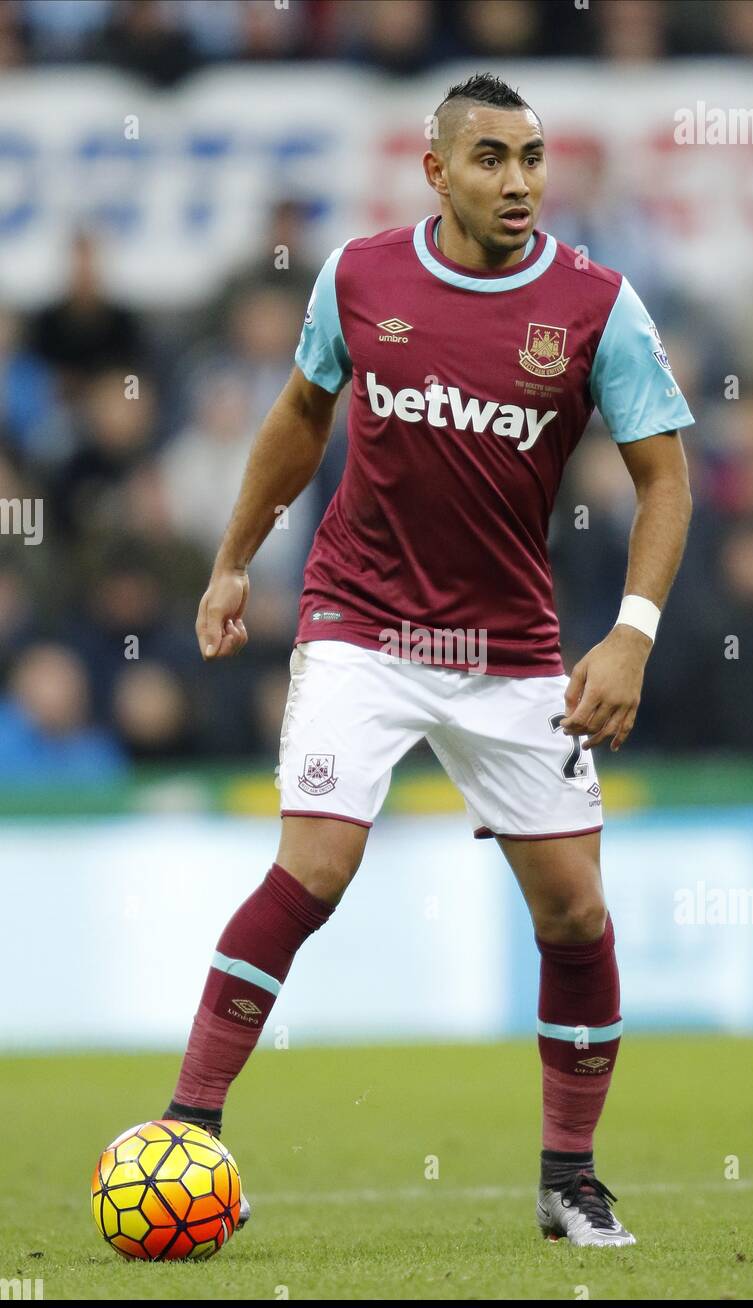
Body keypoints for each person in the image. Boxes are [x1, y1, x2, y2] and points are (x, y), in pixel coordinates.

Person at [162, 73, 694, 1248]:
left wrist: (630, 633)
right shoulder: (359, 277)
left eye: (534, 159)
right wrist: (233, 559)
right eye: (492, 158)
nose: (518, 182)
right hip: (360, 623)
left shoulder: (596, 304)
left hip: (510, 650)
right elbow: (300, 419)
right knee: (314, 867)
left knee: (574, 919)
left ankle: (568, 1178)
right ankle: (185, 1128)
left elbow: (664, 478)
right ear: (436, 170)